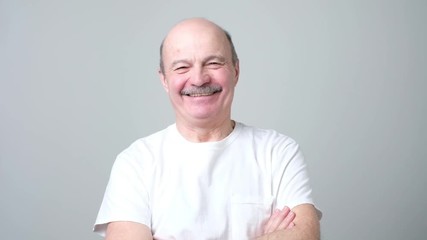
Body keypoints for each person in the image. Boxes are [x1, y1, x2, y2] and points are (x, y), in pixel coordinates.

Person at [94, 17, 321, 240]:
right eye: (182, 67)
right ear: (164, 79)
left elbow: (305, 236)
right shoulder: (136, 162)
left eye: (213, 63)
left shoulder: (277, 152)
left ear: (236, 71)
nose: (199, 79)